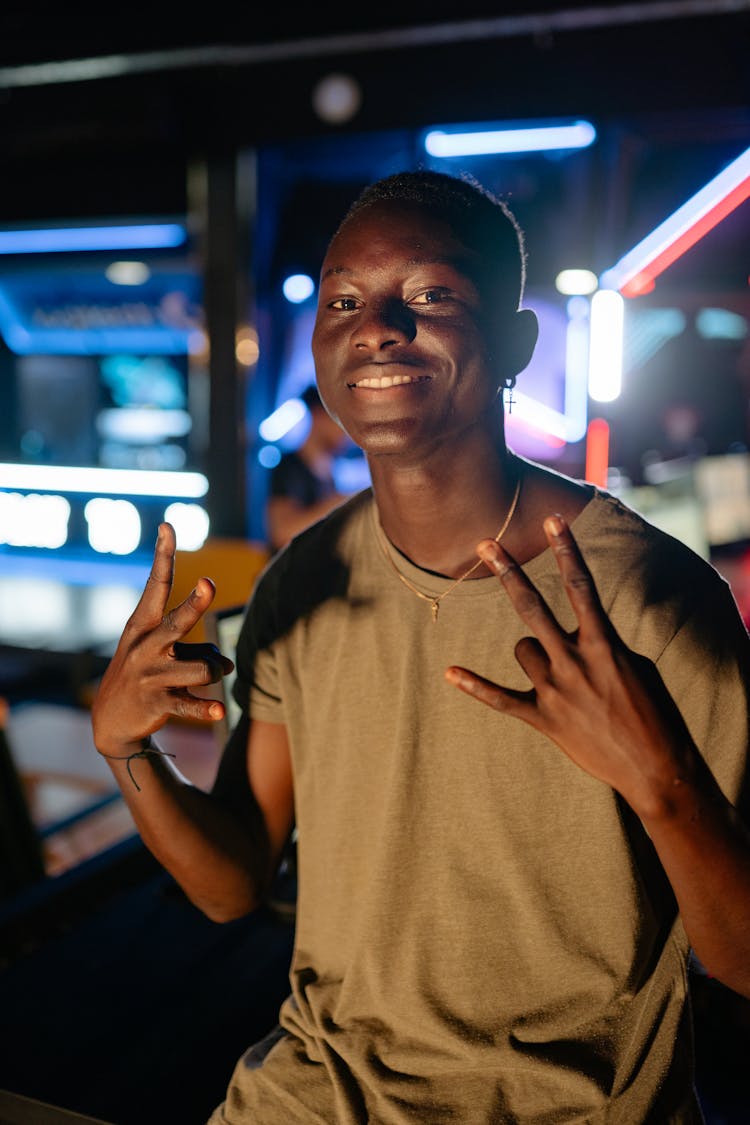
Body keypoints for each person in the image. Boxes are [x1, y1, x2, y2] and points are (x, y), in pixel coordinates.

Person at [91, 169, 750, 1123]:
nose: (377, 326)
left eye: (432, 294)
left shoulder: (649, 597)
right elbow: (235, 882)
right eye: (345, 301)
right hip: (313, 1096)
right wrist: (126, 749)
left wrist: (661, 782)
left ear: (518, 342)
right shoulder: (303, 581)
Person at [266, 383, 352, 551]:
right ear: (318, 415)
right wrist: (339, 504)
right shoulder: (288, 468)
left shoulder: (328, 473)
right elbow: (281, 533)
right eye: (341, 421)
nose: (347, 432)